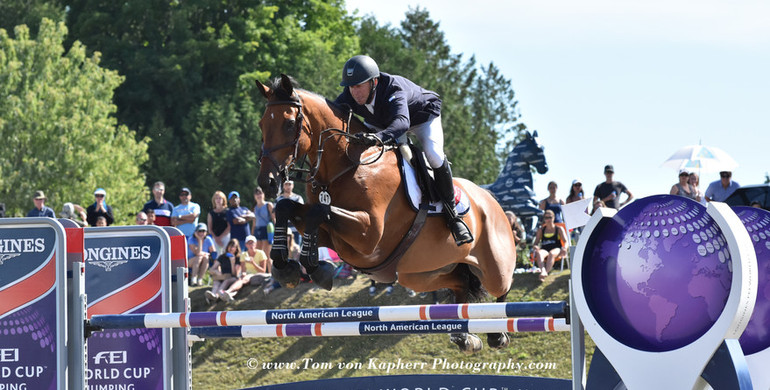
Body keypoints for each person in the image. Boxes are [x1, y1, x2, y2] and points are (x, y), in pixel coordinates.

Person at [334, 54, 472, 246]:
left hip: (422, 117)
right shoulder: (351, 94)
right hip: (384, 122)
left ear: (374, 82)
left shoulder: (393, 89)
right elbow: (331, 109)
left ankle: (453, 215)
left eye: (359, 86)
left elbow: (401, 123)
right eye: (351, 86)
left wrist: (378, 138)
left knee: (433, 155)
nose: (354, 92)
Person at [218, 235, 272, 302]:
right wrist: (243, 273)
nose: (251, 245)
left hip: (258, 275)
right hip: (247, 277)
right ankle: (231, 295)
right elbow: (243, 270)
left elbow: (263, 270)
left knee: (242, 280)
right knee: (242, 280)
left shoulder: (261, 253)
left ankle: (228, 291)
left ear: (255, 244)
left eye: (252, 243)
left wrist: (253, 263)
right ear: (246, 245)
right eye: (249, 243)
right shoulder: (244, 255)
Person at [531, 210, 568, 282]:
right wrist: (535, 246)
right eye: (546, 218)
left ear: (553, 218)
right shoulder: (541, 230)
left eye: (550, 217)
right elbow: (536, 243)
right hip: (545, 249)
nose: (548, 220)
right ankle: (543, 271)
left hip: (556, 248)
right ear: (544, 219)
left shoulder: (559, 229)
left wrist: (564, 248)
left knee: (551, 253)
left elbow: (566, 241)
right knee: (539, 253)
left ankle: (545, 272)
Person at [205, 239, 241, 303]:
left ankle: (217, 295)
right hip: (223, 276)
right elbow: (212, 269)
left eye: (233, 247)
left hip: (232, 278)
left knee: (226, 281)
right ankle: (212, 295)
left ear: (236, 249)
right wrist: (216, 272)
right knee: (216, 282)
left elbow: (235, 274)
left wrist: (232, 263)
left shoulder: (237, 258)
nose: (231, 248)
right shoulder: (222, 257)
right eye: (230, 246)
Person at [252, 186, 275, 260]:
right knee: (257, 254)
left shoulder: (268, 205)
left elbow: (274, 219)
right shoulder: (254, 207)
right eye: (256, 194)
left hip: (266, 230)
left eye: (260, 193)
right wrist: (252, 235)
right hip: (257, 230)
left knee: (267, 254)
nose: (259, 195)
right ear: (254, 196)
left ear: (264, 194)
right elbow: (254, 223)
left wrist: (277, 232)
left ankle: (270, 271)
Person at [207, 191, 230, 255]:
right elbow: (209, 228)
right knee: (217, 256)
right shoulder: (211, 213)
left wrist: (220, 237)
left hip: (226, 237)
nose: (218, 200)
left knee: (227, 254)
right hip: (214, 237)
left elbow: (229, 226)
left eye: (220, 198)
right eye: (216, 198)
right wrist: (216, 238)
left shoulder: (227, 211)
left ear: (223, 200)